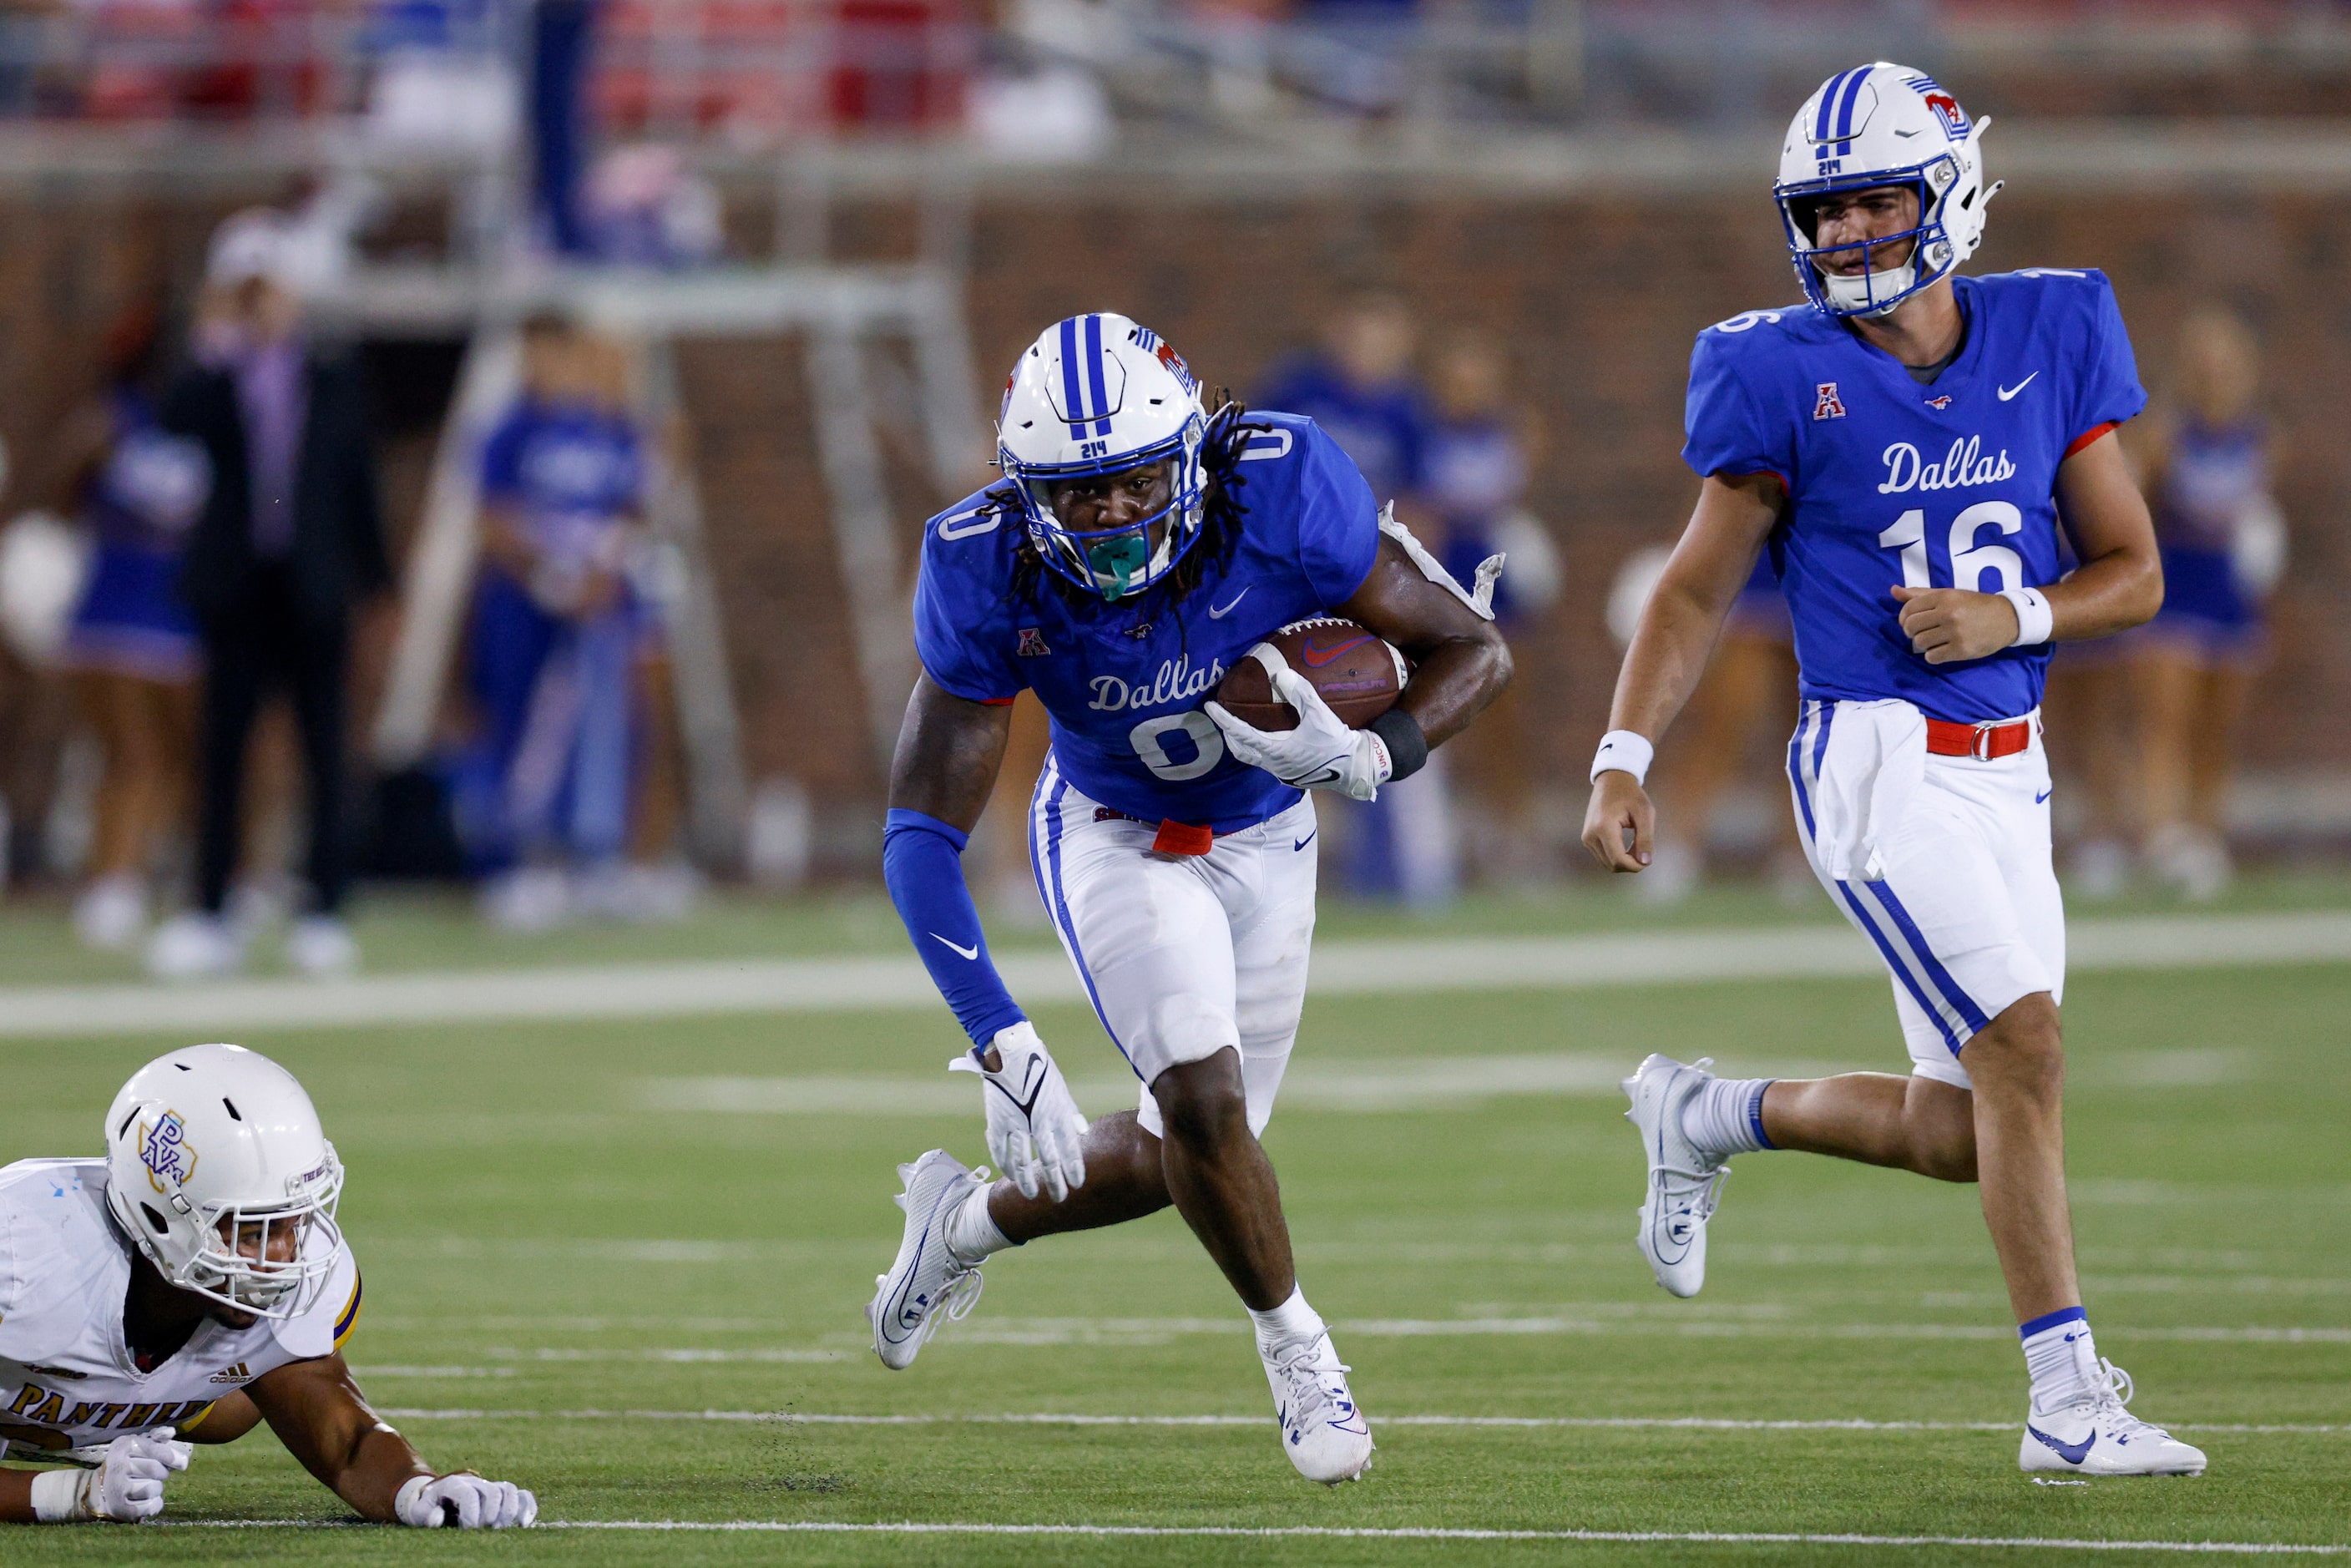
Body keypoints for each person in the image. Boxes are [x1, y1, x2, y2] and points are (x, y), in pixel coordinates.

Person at [1580, 63, 2204, 1477]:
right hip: (1875, 760)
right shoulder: (1776, 367)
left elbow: (2137, 571)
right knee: (2027, 1052)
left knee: (1967, 1128)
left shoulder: (2052, 327)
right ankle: (2064, 1400)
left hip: (2009, 766)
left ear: (1950, 192)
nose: (1853, 235)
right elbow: (1688, 592)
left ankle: (1707, 1112)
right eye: (1829, 210)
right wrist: (1624, 752)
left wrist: (2016, 613)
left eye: (1878, 201)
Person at [866, 313, 1510, 1483]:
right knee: (1208, 1110)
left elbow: (1473, 649)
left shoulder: (1283, 485)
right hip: (1117, 835)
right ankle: (1297, 1347)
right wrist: (1000, 1037)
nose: (1111, 513)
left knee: (1197, 1152)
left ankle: (962, 1223)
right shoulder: (983, 558)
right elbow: (918, 835)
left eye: (1134, 481)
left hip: (1270, 832)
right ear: (1022, 490)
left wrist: (1378, 756)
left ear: (1196, 452)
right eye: (1079, 491)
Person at [0, 1042, 533, 1529]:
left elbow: (345, 1436)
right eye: (250, 1230)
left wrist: (416, 1487)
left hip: (106, 1384)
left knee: (235, 1407)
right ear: (161, 1216)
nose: (280, 1257)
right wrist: (72, 1493)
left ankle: (81, 1424)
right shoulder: (21, 1256)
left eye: (291, 1223)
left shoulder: (292, 1272)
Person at [144, 210, 392, 979]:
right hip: (237, 585)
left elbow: (356, 482)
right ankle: (212, 906)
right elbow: (171, 423)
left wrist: (379, 580)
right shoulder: (213, 374)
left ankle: (323, 908)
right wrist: (218, 348)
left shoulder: (330, 372)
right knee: (222, 752)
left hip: (312, 583)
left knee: (324, 749)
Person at [461, 312, 688, 930]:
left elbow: (639, 507)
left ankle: (599, 860)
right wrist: (549, 575)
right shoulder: (512, 430)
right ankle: (520, 866)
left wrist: (608, 565)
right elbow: (492, 516)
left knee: (610, 731)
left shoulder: (616, 429)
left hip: (602, 603)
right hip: (527, 602)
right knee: (524, 730)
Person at [1256, 287, 1458, 904]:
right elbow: (1253, 488)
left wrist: (1414, 591)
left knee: (1403, 712)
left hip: (1377, 588)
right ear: (1338, 330)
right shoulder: (1296, 394)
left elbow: (1426, 506)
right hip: (1299, 586)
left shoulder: (1407, 408)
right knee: (1273, 717)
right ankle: (1272, 870)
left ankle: (1418, 876)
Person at [52, 306, 209, 952]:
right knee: (129, 755)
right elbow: (60, 496)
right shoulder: (112, 421)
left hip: (181, 619)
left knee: (178, 758)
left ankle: (142, 874)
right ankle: (109, 882)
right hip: (113, 616)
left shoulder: (211, 421)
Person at [2126, 306, 2282, 901]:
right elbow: (2136, 511)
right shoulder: (2165, 435)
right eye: (2206, 364)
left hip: (2232, 602)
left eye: (2227, 363)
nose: (2216, 374)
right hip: (2174, 599)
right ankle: (2162, 837)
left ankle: (2207, 833)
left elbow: (2257, 521)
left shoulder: (2261, 438)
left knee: (2218, 728)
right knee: (2167, 722)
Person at [1417, 326, 1560, 882]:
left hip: (1499, 595)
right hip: (1436, 594)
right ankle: (1444, 840)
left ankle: (1514, 834)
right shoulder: (1420, 435)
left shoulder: (1514, 433)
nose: (1468, 388)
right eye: (1458, 377)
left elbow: (1513, 507)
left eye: (1479, 377)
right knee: (1435, 718)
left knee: (1506, 720)